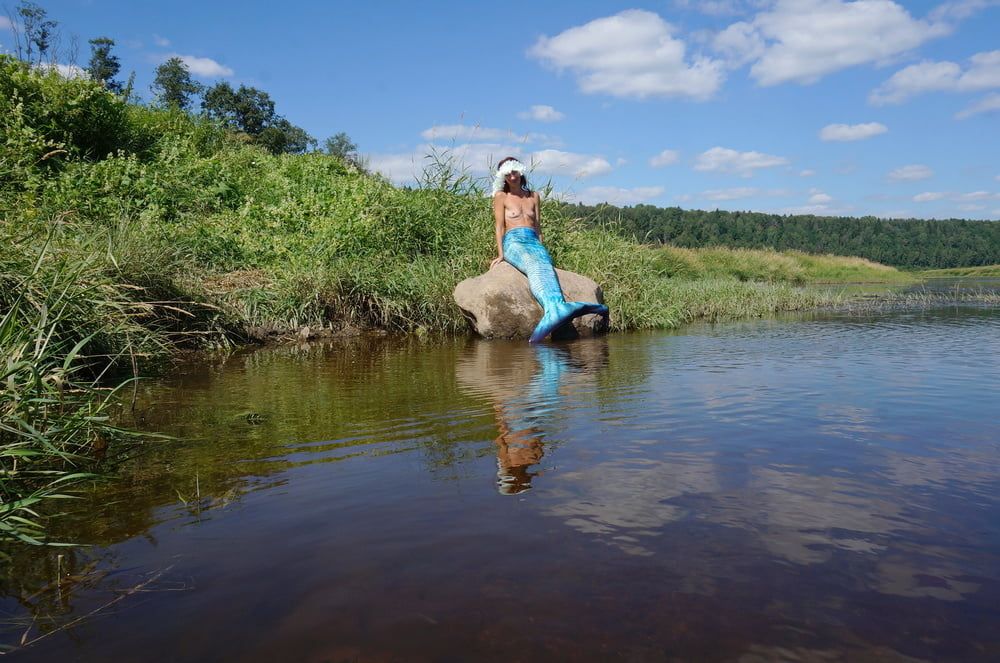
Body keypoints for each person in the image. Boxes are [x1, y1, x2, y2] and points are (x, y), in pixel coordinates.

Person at [491, 157, 609, 343]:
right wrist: (501, 254)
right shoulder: (501, 197)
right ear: (502, 177)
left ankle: (558, 308)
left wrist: (541, 247)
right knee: (532, 264)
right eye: (506, 173)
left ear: (520, 172)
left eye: (514, 171)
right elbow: (499, 227)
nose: (511, 176)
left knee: (544, 263)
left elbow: (538, 226)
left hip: (532, 240)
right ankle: (553, 310)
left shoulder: (533, 196)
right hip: (513, 240)